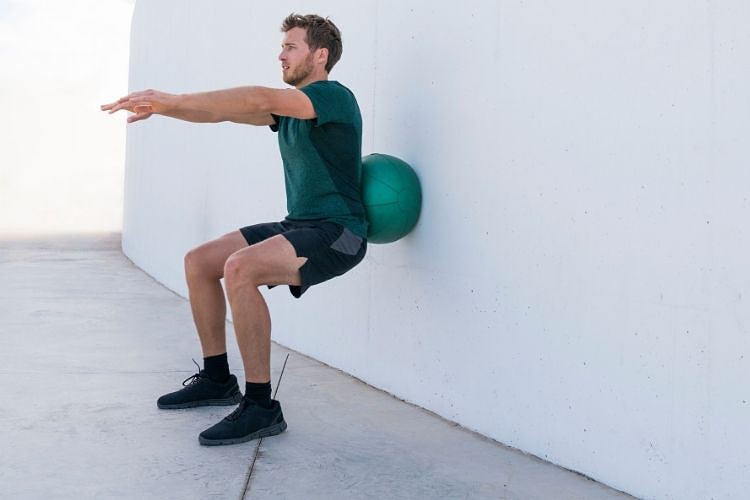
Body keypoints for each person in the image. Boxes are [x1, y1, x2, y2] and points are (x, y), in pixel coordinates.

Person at [101, 13, 367, 446]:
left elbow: (258, 96)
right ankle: (217, 378)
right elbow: (221, 112)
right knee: (201, 261)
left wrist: (174, 96)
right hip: (300, 224)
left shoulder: (333, 97)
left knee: (240, 268)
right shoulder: (290, 113)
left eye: (291, 47)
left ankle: (261, 406)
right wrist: (166, 107)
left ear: (320, 55)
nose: (280, 54)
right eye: (281, 46)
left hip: (339, 232)